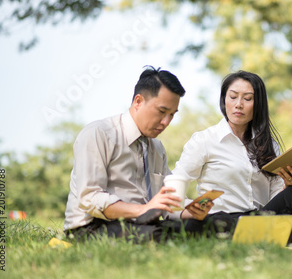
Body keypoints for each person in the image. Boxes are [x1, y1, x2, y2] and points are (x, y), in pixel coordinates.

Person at [173, 70, 292, 249]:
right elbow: (175, 186)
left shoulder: (268, 145)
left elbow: (277, 199)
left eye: (247, 99)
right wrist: (191, 209)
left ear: (257, 104)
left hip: (258, 220)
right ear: (224, 100)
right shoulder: (205, 140)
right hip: (222, 221)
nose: (238, 104)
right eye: (232, 97)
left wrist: (287, 185)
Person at [64, 66, 213, 242]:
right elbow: (89, 198)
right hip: (92, 226)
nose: (166, 122)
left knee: (211, 224)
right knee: (159, 237)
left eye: (172, 115)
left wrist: (189, 209)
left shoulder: (156, 148)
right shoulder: (99, 134)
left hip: (142, 223)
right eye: (162, 111)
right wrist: (143, 209)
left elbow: (163, 202)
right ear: (138, 101)